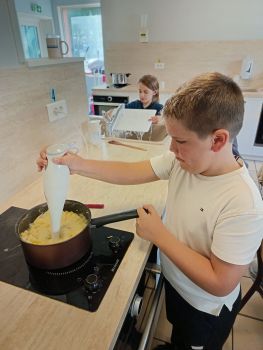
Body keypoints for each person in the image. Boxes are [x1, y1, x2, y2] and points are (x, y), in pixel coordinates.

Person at [37, 72, 263, 350]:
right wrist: (76, 164)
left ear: (217, 140)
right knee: (177, 334)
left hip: (205, 310)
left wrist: (160, 235)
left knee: (189, 340)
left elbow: (220, 282)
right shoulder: (184, 162)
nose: (172, 149)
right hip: (178, 282)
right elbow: (132, 171)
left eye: (180, 141)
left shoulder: (243, 203)